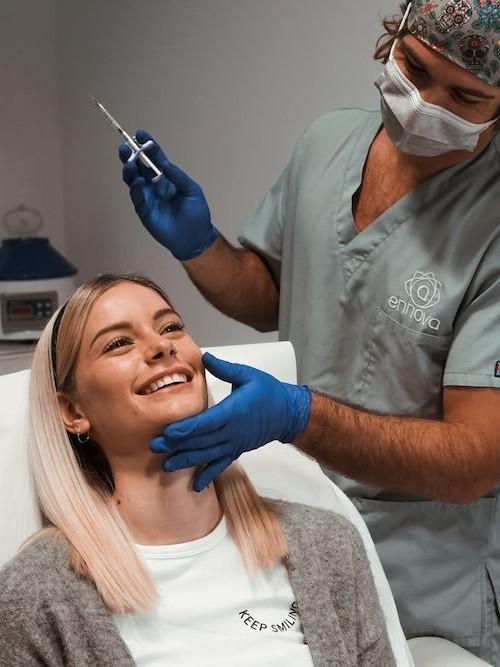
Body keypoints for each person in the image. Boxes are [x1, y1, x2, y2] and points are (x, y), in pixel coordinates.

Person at [117, 1, 500, 662]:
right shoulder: (329, 141)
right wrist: (199, 245)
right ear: (393, 37)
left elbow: (473, 462)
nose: (424, 103)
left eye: (465, 96)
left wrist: (299, 416)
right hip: (292, 542)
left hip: (424, 587)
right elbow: (270, 291)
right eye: (412, 67)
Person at [0, 274, 395, 666]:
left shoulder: (327, 546)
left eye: (170, 327)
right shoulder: (35, 594)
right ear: (72, 411)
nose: (161, 346)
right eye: (119, 343)